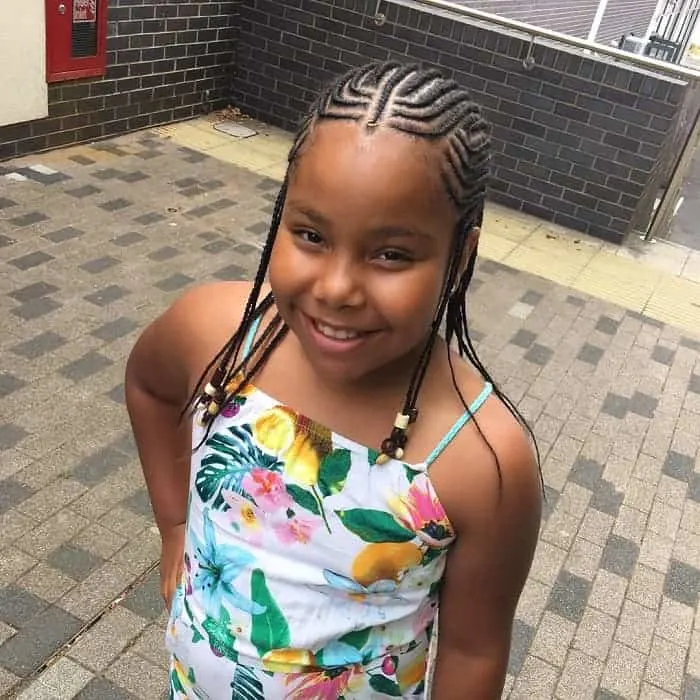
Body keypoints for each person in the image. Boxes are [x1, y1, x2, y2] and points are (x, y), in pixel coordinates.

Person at [125, 61, 542, 700]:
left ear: (460, 256)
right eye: (311, 234)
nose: (337, 288)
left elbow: (474, 650)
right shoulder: (217, 332)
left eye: (391, 254)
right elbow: (151, 389)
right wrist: (175, 525)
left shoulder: (483, 460)